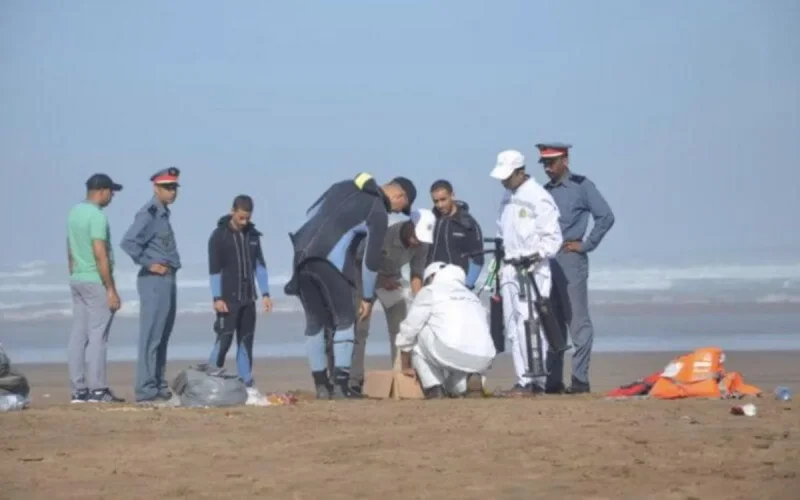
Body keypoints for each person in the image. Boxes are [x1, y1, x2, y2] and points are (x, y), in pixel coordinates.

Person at [284, 173, 416, 399]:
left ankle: (321, 386)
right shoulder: (377, 211)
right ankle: (341, 387)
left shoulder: (341, 186)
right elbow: (370, 261)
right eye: (401, 207)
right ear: (399, 194)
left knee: (315, 323)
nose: (396, 213)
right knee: (346, 320)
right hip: (330, 264)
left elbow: (312, 214)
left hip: (300, 257)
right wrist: (366, 296)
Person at [538, 142, 615, 394]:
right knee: (551, 320)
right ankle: (553, 381)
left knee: (577, 321)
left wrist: (585, 245)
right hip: (546, 261)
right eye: (544, 163)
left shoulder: (582, 186)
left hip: (570, 259)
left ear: (565, 160)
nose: (547, 168)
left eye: (552, 162)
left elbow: (605, 216)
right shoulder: (542, 191)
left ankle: (580, 380)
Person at [489, 150, 563, 396]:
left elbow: (553, 239)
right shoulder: (506, 197)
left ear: (520, 172)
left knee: (530, 324)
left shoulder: (539, 197)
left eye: (508, 176)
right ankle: (522, 379)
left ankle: (536, 380)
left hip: (532, 270)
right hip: (509, 269)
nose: (503, 181)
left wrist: (535, 254)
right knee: (512, 327)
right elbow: (502, 232)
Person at [348, 208, 435, 396]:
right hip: (366, 279)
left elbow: (416, 273)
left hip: (393, 280)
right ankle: (354, 379)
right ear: (409, 225)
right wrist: (379, 279)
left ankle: (401, 376)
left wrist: (420, 303)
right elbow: (360, 259)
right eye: (416, 236)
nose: (418, 242)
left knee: (402, 329)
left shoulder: (423, 244)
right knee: (360, 329)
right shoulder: (385, 233)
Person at [120, 167, 181, 404]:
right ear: (156, 188)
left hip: (167, 279)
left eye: (174, 187)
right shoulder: (149, 213)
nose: (172, 191)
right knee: (151, 336)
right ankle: (146, 389)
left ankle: (157, 384)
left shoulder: (163, 213)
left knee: (162, 335)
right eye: (167, 187)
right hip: (154, 281)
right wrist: (148, 263)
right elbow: (128, 242)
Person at [207, 195, 273, 404]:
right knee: (224, 340)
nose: (245, 222)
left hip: (248, 298)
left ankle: (247, 384)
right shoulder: (218, 236)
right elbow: (214, 271)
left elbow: (260, 267)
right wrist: (217, 297)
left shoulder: (252, 235)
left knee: (246, 341)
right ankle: (209, 380)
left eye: (248, 218)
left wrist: (265, 293)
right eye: (242, 218)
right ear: (232, 211)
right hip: (227, 300)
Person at [395, 262, 496, 399]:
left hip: (449, 351)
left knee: (417, 332)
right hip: (485, 357)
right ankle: (469, 380)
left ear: (431, 278)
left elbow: (409, 329)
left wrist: (405, 364)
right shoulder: (472, 296)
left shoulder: (430, 291)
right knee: (459, 363)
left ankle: (434, 387)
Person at [66, 173, 125, 403]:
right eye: (112, 192)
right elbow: (100, 252)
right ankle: (98, 390)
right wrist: (110, 288)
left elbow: (70, 248)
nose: (113, 196)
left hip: (78, 278)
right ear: (102, 191)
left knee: (78, 335)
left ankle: (78, 390)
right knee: (98, 335)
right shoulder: (97, 216)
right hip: (94, 279)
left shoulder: (74, 212)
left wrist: (73, 272)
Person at [426, 179, 485, 289]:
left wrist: (467, 286)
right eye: (436, 201)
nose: (439, 205)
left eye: (443, 199)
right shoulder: (430, 220)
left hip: (457, 286)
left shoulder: (468, 223)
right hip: (431, 285)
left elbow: (478, 259)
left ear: (452, 195)